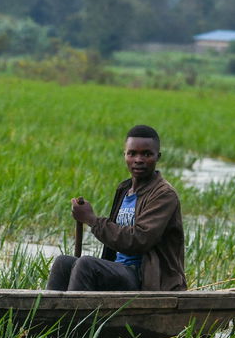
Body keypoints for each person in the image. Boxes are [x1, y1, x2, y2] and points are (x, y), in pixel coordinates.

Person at [45, 125, 185, 292]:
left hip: (147, 279)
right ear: (125, 155)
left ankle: (75, 317)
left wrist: (92, 220)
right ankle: (49, 313)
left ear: (157, 157)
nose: (138, 160)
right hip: (121, 269)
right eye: (132, 153)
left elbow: (139, 240)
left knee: (86, 264)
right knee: (63, 263)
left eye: (146, 154)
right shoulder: (125, 190)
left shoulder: (163, 195)